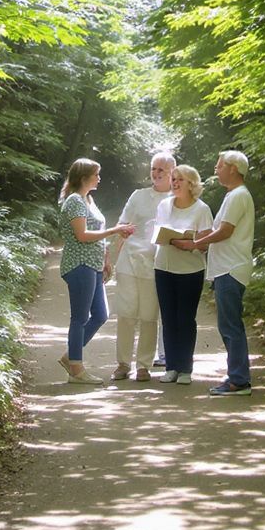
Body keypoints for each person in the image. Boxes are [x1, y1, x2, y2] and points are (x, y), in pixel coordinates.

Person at [176, 151, 255, 396]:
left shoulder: (238, 195)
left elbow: (225, 231)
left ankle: (239, 381)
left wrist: (196, 244)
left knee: (230, 326)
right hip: (227, 269)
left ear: (233, 168)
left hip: (231, 269)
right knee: (229, 325)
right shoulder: (234, 195)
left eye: (220, 165)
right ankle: (237, 376)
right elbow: (220, 230)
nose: (216, 168)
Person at [57, 158, 135, 384]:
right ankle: (77, 370)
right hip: (78, 265)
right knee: (80, 317)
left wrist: (106, 258)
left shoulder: (88, 200)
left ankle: (71, 356)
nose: (99, 178)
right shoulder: (74, 201)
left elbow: (96, 231)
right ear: (84, 177)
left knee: (101, 314)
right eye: (96, 174)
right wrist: (115, 230)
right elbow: (82, 236)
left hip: (93, 265)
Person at [109, 152, 175, 382]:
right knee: (126, 314)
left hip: (156, 264)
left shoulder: (176, 198)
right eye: (153, 169)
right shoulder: (138, 195)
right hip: (129, 261)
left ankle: (144, 366)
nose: (156, 174)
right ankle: (122, 364)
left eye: (161, 170)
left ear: (171, 173)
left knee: (149, 315)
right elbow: (121, 224)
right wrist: (112, 256)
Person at [155, 164, 213, 386]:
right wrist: (169, 238)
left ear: (192, 184)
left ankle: (186, 369)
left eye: (180, 180)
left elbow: (206, 242)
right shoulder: (164, 205)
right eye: (174, 179)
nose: (175, 183)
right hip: (163, 267)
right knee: (168, 319)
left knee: (185, 319)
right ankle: (171, 367)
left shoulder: (201, 209)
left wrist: (190, 244)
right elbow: (158, 232)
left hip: (190, 270)